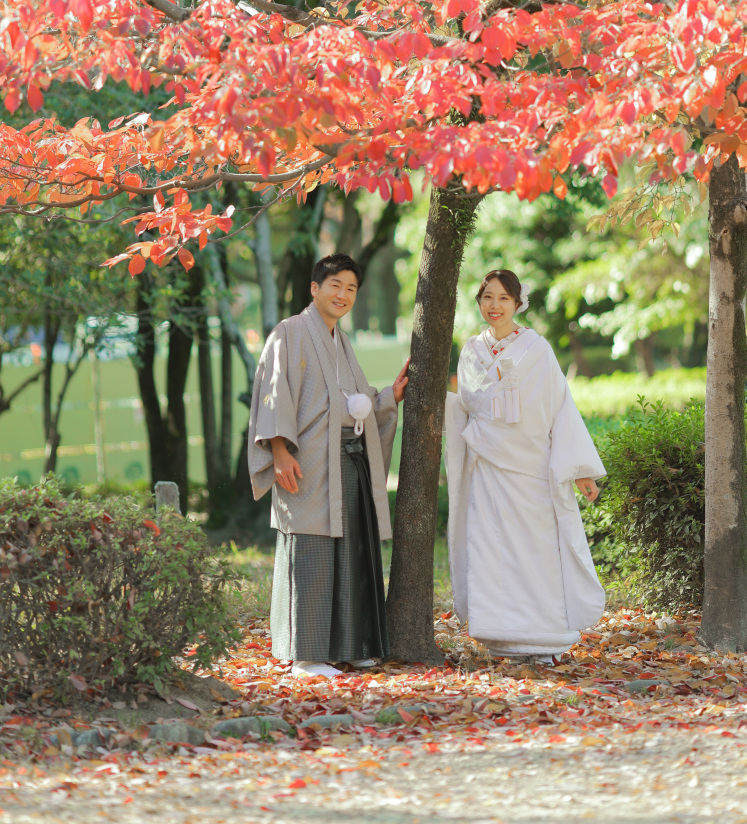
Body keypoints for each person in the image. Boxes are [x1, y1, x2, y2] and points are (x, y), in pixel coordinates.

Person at [248, 253, 409, 678]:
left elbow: (355, 403)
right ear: (315, 288)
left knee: (352, 552)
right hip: (307, 462)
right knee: (312, 551)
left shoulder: (340, 340)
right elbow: (273, 394)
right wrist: (279, 451)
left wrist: (390, 395)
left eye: (351, 288)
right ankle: (306, 654)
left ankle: (349, 645)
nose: (343, 294)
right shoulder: (290, 332)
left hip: (348, 462)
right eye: (335, 285)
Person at [445, 268, 605, 663]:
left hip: (531, 465)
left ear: (518, 303)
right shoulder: (471, 351)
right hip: (488, 465)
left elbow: (559, 408)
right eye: (487, 297)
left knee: (536, 550)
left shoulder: (537, 349)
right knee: (490, 547)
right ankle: (498, 634)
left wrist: (579, 468)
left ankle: (544, 636)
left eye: (502, 298)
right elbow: (467, 403)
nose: (494, 306)